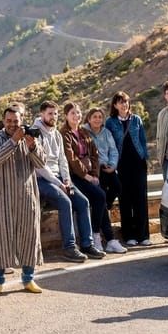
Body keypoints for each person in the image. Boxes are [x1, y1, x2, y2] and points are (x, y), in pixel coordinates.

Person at [0, 106, 47, 294]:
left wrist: (32, 146)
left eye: (16, 121)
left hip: (27, 196)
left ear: (22, 120)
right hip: (3, 196)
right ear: (3, 121)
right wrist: (14, 140)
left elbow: (41, 163)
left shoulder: (30, 137)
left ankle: (28, 279)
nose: (13, 124)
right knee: (0, 238)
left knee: (29, 237)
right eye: (9, 121)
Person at [33, 101, 105, 261]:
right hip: (42, 179)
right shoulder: (34, 133)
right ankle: (70, 247)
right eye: (50, 113)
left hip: (59, 178)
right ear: (41, 115)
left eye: (55, 113)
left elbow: (63, 160)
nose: (53, 117)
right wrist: (59, 183)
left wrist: (66, 179)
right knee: (66, 202)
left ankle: (87, 244)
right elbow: (39, 166)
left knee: (83, 201)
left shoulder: (56, 134)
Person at [61, 102, 127, 254]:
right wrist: (87, 176)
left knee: (101, 199)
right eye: (72, 113)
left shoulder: (83, 132)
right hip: (75, 176)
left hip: (90, 174)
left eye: (78, 113)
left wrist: (95, 174)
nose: (76, 116)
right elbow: (72, 159)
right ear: (66, 116)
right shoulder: (64, 134)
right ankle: (97, 236)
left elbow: (94, 154)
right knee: (100, 196)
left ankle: (109, 240)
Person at [105, 91, 150, 247]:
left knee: (140, 199)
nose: (124, 104)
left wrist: (145, 158)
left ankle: (143, 235)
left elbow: (143, 140)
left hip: (138, 163)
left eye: (126, 101)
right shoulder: (110, 122)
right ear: (115, 105)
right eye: (120, 102)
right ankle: (129, 235)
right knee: (125, 200)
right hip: (121, 164)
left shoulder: (136, 119)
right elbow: (109, 144)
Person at [83, 107, 128, 253]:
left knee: (117, 187)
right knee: (100, 199)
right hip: (94, 171)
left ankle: (105, 207)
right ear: (88, 118)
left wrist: (113, 165)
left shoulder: (106, 132)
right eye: (94, 117)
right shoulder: (84, 132)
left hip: (107, 167)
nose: (97, 119)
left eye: (100, 117)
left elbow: (113, 150)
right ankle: (108, 239)